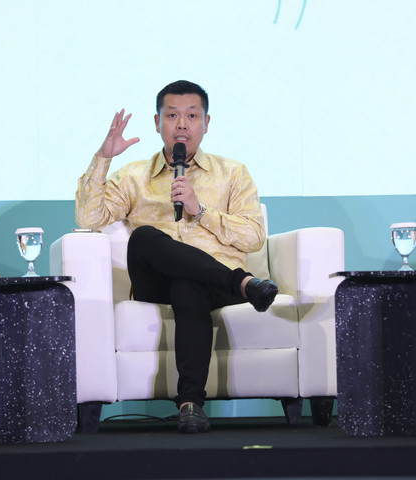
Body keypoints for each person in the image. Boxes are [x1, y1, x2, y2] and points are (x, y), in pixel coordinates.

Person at [75, 80, 278, 434]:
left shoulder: (233, 173)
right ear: (158, 123)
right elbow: (88, 218)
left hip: (212, 289)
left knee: (188, 284)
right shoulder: (133, 176)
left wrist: (201, 211)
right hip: (158, 285)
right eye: (172, 116)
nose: (182, 124)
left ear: (206, 122)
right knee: (143, 237)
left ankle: (190, 404)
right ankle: (244, 284)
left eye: (192, 116)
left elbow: (254, 236)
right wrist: (103, 158)